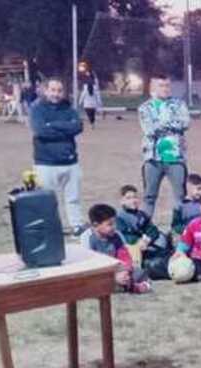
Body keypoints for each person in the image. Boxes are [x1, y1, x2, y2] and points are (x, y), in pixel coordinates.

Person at [29, 77, 85, 234]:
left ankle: (77, 225)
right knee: (47, 200)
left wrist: (53, 125)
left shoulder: (69, 108)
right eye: (53, 90)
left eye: (59, 90)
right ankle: (50, 228)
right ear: (45, 90)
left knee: (73, 198)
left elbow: (78, 127)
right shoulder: (37, 109)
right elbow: (41, 131)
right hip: (45, 163)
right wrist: (66, 128)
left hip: (70, 162)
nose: (56, 94)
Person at [138, 74, 191, 221]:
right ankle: (144, 228)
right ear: (152, 88)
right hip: (153, 158)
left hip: (176, 157)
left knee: (180, 196)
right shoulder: (145, 108)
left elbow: (185, 123)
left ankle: (178, 229)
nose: (165, 89)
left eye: (167, 85)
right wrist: (172, 124)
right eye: (161, 85)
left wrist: (162, 124)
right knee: (149, 196)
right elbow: (149, 129)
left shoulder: (179, 104)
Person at [82, 204, 152, 294]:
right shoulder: (87, 238)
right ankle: (131, 287)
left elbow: (124, 256)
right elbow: (89, 265)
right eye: (109, 224)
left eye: (114, 223)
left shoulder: (117, 235)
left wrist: (125, 271)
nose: (114, 227)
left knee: (138, 272)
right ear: (96, 225)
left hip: (117, 269)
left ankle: (126, 284)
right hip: (99, 273)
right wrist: (113, 276)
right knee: (94, 282)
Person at [115, 184, 165, 266]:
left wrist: (148, 239)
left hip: (145, 244)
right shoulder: (119, 217)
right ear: (122, 201)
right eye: (128, 198)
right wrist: (138, 241)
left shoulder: (142, 215)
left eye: (135, 197)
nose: (133, 200)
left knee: (162, 237)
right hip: (130, 247)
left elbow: (152, 229)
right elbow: (123, 235)